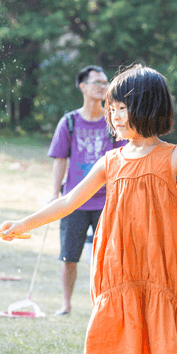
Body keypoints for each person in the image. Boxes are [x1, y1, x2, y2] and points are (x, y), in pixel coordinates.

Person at [0, 65, 177, 354]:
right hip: (120, 270)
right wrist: (22, 224)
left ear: (148, 107)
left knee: (164, 349)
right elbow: (69, 200)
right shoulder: (110, 160)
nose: (114, 116)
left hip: (162, 269)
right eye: (112, 109)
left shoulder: (176, 157)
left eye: (122, 108)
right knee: (119, 346)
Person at [47, 65, 125, 316]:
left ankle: (103, 307)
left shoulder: (112, 120)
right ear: (83, 86)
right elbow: (60, 159)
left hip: (106, 201)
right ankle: (66, 304)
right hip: (74, 200)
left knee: (106, 259)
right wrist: (54, 194)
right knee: (69, 257)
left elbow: (122, 157)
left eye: (105, 83)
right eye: (97, 83)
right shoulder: (69, 122)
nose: (103, 87)